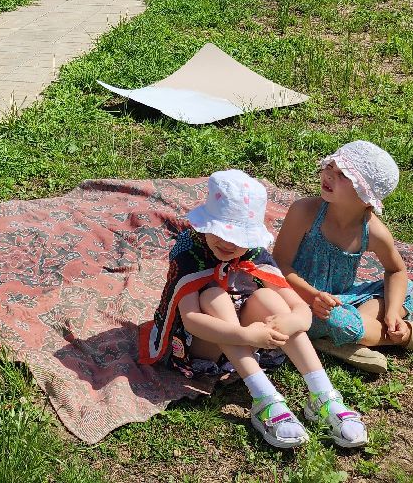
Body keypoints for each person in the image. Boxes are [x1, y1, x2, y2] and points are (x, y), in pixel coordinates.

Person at [139, 170, 368, 450]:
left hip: (248, 333)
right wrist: (247, 336)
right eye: (221, 232)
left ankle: (323, 395)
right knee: (213, 295)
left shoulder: (254, 253)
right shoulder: (189, 251)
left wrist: (293, 320)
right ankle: (264, 398)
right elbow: (192, 321)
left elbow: (298, 306)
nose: (228, 243)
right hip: (199, 344)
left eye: (239, 238)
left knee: (271, 300)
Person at [273, 140, 413, 375]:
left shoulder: (373, 232)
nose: (329, 175)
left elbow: (397, 271)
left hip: (340, 299)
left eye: (343, 175)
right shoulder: (305, 212)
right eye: (330, 167)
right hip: (297, 301)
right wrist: (312, 296)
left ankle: (342, 340)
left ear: (365, 196)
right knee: (336, 319)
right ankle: (405, 336)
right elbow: (278, 264)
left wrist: (392, 311)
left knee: (408, 290)